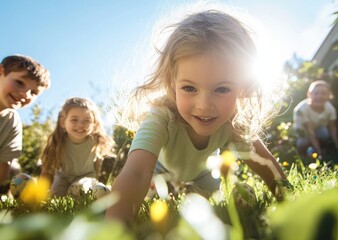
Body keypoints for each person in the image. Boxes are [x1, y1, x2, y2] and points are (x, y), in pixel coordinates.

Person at [105, 9, 288, 225]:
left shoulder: (232, 122)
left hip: (203, 177)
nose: (204, 106)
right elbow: (136, 173)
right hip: (160, 172)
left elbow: (265, 165)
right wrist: (114, 231)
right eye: (189, 88)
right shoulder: (161, 117)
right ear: (172, 83)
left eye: (221, 89)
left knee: (203, 208)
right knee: (157, 200)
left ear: (242, 87)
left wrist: (290, 202)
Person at [40, 97, 115, 196]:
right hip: (63, 177)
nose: (80, 124)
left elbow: (97, 163)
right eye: (74, 120)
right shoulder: (58, 141)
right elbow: (47, 168)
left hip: (86, 177)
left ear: (94, 124)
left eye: (87, 120)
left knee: (78, 189)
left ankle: (103, 193)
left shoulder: (95, 141)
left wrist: (95, 179)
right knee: (55, 195)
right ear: (63, 122)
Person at [0, 55, 50, 189]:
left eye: (33, 92)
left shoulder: (12, 121)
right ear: (1, 72)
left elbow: (2, 172)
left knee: (16, 172)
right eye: (20, 82)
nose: (25, 94)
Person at [293, 80, 338, 158]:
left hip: (318, 129)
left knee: (324, 133)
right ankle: (305, 153)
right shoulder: (301, 109)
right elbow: (310, 132)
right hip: (304, 132)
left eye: (323, 93)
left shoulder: (330, 108)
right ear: (309, 94)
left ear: (329, 95)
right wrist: (319, 152)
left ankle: (322, 148)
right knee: (302, 142)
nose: (319, 96)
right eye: (316, 93)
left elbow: (333, 128)